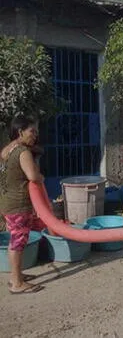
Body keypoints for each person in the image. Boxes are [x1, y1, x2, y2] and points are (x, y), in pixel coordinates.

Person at [0, 115, 44, 294]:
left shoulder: (8, 150)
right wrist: (41, 177)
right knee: (18, 241)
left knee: (16, 239)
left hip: (7, 202)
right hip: (18, 204)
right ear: (20, 132)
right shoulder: (23, 152)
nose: (35, 135)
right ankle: (17, 283)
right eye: (31, 131)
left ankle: (17, 275)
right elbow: (33, 176)